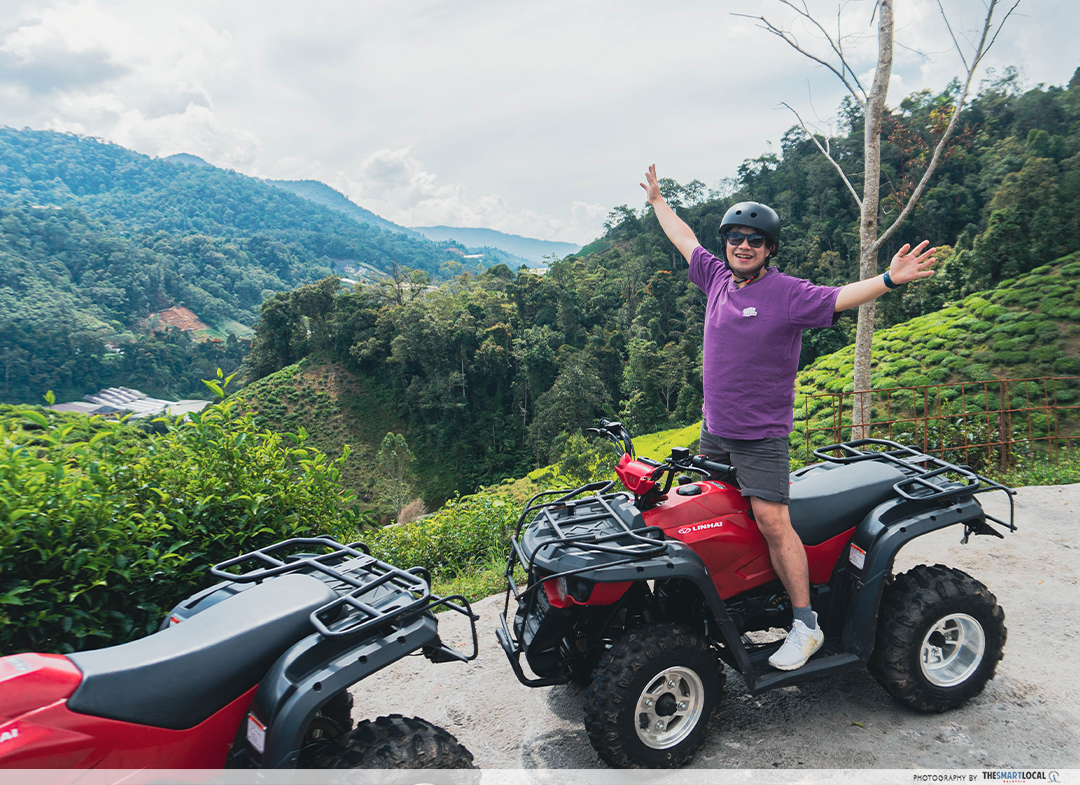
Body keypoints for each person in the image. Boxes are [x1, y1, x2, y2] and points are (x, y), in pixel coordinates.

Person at [640, 164, 937, 670]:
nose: (743, 245)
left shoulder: (788, 294)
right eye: (735, 237)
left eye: (755, 239)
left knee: (773, 521)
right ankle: (726, 601)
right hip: (716, 431)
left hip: (760, 436)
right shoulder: (716, 279)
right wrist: (657, 204)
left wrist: (889, 278)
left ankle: (806, 623)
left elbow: (841, 297)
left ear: (769, 248)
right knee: (708, 519)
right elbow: (686, 240)